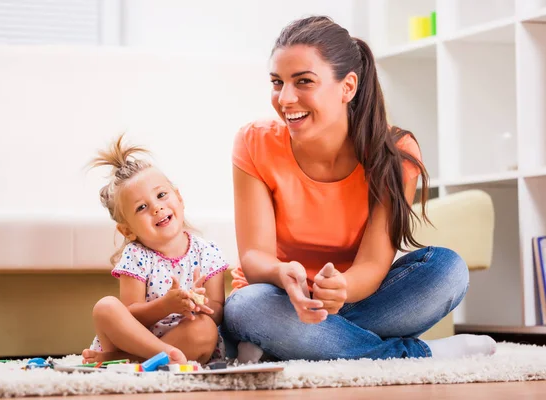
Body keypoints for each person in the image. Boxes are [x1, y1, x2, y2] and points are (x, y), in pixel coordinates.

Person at [221, 16, 496, 362]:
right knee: (247, 306)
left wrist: (343, 289)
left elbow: (373, 264)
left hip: (356, 301)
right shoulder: (253, 142)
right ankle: (417, 355)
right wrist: (280, 272)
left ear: (347, 87)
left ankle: (296, 345)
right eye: (277, 82)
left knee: (447, 269)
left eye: (303, 81)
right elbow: (254, 257)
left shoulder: (396, 153)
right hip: (278, 301)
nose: (285, 98)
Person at [81, 135, 229, 365]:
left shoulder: (207, 252)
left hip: (186, 338)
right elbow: (131, 314)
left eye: (161, 195)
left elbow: (218, 311)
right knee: (105, 307)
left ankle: (123, 360)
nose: (157, 207)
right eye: (142, 207)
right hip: (139, 338)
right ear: (127, 230)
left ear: (179, 198)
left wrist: (201, 304)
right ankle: (163, 355)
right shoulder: (136, 256)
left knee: (205, 329)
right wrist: (166, 306)